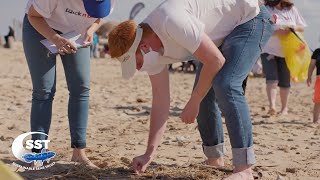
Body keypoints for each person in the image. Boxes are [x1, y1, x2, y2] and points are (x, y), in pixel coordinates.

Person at [108, 0, 273, 179]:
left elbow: (216, 61)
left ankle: (244, 168)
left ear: (144, 47)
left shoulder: (171, 20)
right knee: (202, 94)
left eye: (136, 63)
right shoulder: (150, 52)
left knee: (226, 84)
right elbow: (160, 102)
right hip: (220, 34)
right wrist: (149, 153)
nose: (138, 69)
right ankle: (215, 159)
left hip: (250, 18)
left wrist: (194, 101)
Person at [23, 0, 114, 168]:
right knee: (44, 91)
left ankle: (79, 153)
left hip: (76, 33)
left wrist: (91, 29)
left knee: (81, 87)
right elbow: (33, 16)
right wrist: (55, 38)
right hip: (41, 26)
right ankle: (38, 154)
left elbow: (99, 17)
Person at [261, 0, 307, 115]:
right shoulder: (266, 9)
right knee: (271, 79)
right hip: (268, 50)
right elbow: (262, 28)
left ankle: (284, 108)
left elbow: (302, 27)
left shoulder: (291, 9)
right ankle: (272, 107)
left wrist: (292, 28)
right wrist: (277, 32)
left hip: (288, 52)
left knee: (285, 81)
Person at [307, 48, 320, 124]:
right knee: (318, 100)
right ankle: (315, 120)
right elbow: (311, 65)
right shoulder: (317, 52)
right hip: (319, 79)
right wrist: (309, 77)